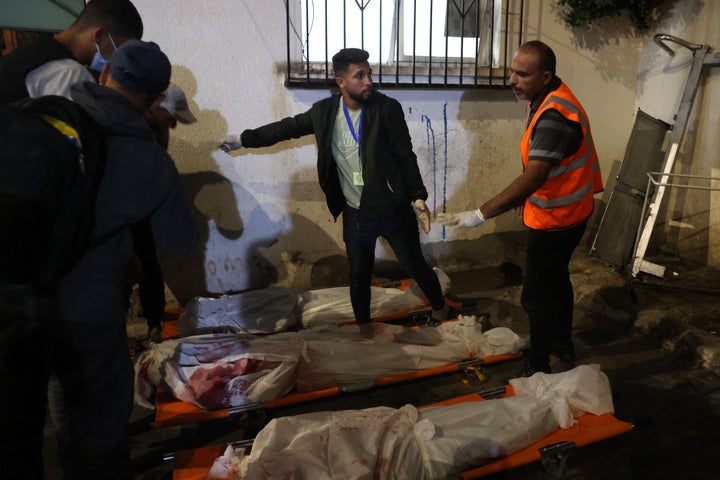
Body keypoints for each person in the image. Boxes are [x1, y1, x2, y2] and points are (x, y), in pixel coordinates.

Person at [0, 40, 198, 480]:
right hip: (88, 314)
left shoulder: (44, 114)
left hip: (16, 301)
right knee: (98, 443)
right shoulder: (148, 157)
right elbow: (180, 243)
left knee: (17, 442)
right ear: (156, 97)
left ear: (105, 74)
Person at [218, 47, 450, 325]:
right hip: (355, 212)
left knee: (415, 265)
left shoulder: (386, 109)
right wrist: (244, 139)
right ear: (340, 81)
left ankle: (440, 310)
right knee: (358, 275)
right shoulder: (325, 113)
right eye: (359, 76)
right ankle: (364, 329)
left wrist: (417, 197)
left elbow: (405, 154)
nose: (368, 82)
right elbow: (285, 129)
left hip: (392, 209)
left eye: (369, 74)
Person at [438, 40, 603, 377]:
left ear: (545, 76)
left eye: (521, 74)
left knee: (537, 294)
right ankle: (561, 343)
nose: (512, 80)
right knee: (557, 281)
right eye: (512, 71)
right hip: (568, 211)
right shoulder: (546, 98)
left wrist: (480, 213)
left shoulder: (556, 114)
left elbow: (535, 176)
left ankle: (538, 364)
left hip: (558, 219)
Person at [134, 83, 198, 342]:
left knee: (148, 261)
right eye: (171, 118)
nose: (173, 126)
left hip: (143, 205)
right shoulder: (128, 125)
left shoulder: (158, 129)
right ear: (157, 105)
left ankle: (153, 323)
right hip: (121, 208)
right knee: (123, 264)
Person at [0, 0, 143, 105]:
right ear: (101, 36)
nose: (117, 60)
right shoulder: (71, 74)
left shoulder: (37, 50)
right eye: (119, 51)